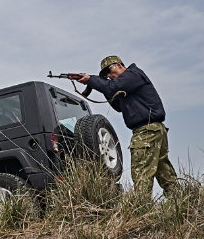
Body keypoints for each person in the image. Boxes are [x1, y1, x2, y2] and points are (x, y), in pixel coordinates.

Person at [76, 56, 178, 197]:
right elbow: (118, 105)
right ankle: (180, 204)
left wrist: (92, 80)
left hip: (146, 131)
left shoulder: (133, 75)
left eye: (109, 71)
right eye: (105, 75)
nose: (109, 76)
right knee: (164, 171)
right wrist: (102, 87)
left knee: (141, 172)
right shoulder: (127, 85)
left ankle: (142, 211)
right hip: (153, 130)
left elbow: (113, 88)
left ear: (119, 65)